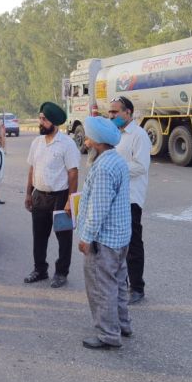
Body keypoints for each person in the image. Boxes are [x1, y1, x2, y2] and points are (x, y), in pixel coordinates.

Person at [77, 116, 132, 349]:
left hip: (104, 240)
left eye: (89, 137)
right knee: (118, 284)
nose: (86, 141)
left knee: (101, 286)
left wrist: (86, 237)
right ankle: (122, 324)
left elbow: (98, 209)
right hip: (120, 237)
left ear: (97, 141)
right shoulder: (116, 161)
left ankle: (108, 334)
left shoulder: (103, 168)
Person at [24, 101, 80, 288]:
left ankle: (61, 272)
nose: (40, 122)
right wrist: (28, 193)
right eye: (40, 118)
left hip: (60, 197)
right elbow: (32, 169)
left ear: (54, 122)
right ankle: (40, 269)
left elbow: (73, 173)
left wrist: (69, 201)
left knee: (63, 237)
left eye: (44, 119)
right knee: (38, 236)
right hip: (39, 195)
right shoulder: (36, 143)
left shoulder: (67, 144)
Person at [107, 96, 151, 304]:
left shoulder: (138, 135)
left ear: (128, 113)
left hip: (130, 198)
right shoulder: (113, 134)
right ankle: (120, 283)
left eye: (116, 112)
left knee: (133, 244)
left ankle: (137, 287)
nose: (112, 115)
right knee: (116, 244)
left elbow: (141, 166)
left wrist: (115, 170)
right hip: (114, 197)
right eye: (110, 112)